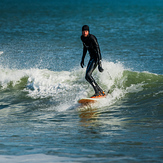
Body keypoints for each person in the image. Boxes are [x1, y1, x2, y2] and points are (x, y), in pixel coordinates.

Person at [80, 25, 105, 98]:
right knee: (87, 77)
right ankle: (100, 91)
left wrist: (100, 63)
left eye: (86, 31)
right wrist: (82, 59)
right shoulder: (82, 38)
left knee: (88, 75)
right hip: (91, 58)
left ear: (88, 32)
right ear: (82, 32)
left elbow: (98, 50)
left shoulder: (92, 38)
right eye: (83, 31)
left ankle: (97, 92)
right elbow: (85, 47)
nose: (85, 33)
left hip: (96, 58)